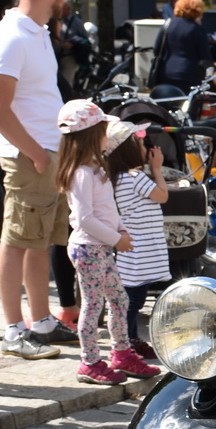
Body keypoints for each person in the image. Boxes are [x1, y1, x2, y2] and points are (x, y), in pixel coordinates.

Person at [0, 0, 78, 361]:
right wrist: (37, 153)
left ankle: (40, 320)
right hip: (30, 156)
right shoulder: (12, 35)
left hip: (46, 153)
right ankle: (14, 329)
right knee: (16, 240)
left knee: (38, 242)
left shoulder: (35, 31)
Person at [55, 99, 157, 384]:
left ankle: (121, 353)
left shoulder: (95, 170)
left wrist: (120, 231)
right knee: (92, 305)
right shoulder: (82, 174)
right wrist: (115, 239)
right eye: (103, 130)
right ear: (91, 135)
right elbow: (85, 218)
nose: (106, 135)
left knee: (119, 299)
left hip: (101, 247)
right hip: (88, 249)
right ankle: (89, 362)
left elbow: (107, 209)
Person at [106, 122, 169, 359]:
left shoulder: (120, 177)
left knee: (133, 296)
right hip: (140, 249)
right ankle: (126, 341)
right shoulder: (135, 177)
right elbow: (162, 196)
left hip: (135, 246)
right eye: (141, 144)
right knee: (133, 300)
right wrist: (157, 169)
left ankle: (131, 338)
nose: (145, 148)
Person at [156, 0, 216, 93]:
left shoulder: (167, 24)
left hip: (165, 73)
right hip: (189, 76)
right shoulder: (197, 29)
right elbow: (206, 58)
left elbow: (156, 49)